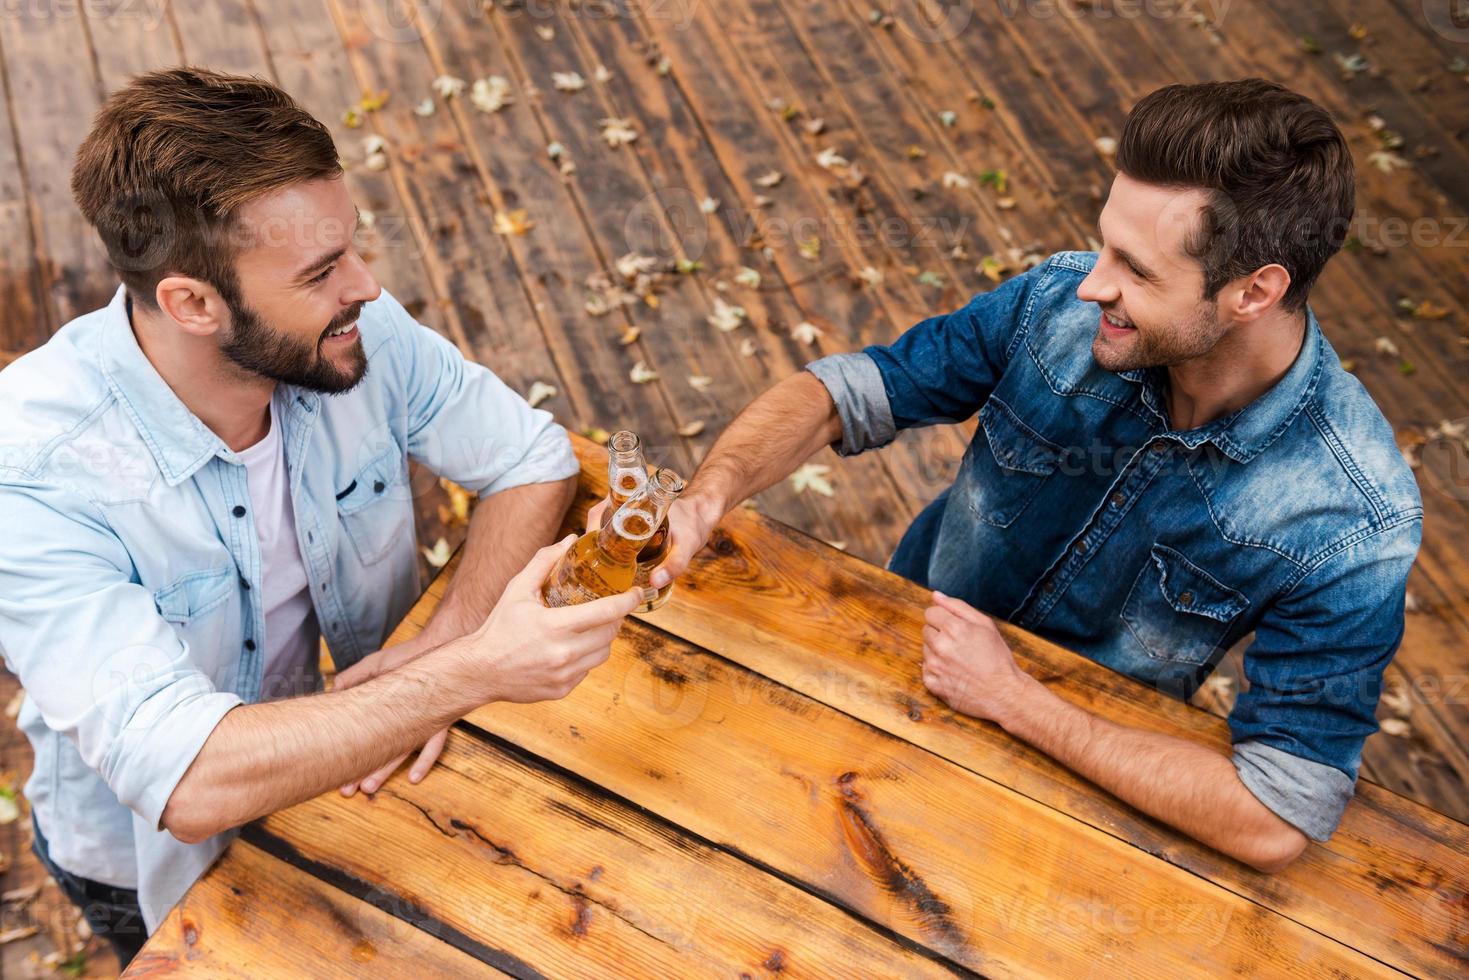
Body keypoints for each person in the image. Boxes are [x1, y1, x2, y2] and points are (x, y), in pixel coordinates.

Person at [646, 79, 1421, 873]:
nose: (1091, 284)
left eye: (1136, 271)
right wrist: (707, 497)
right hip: (888, 655)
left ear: (1254, 291)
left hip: (1079, 792)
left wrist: (1013, 700)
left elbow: (1274, 815)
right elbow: (845, 393)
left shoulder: (1354, 521)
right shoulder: (1055, 302)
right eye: (1104, 245)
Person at [0, 68, 639, 965]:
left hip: (372, 790)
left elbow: (530, 459)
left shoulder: (346, 330)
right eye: (321, 270)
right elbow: (184, 777)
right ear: (192, 301)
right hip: (162, 861)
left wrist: (446, 648)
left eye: (350, 247)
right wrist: (471, 674)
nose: (368, 286)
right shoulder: (28, 475)